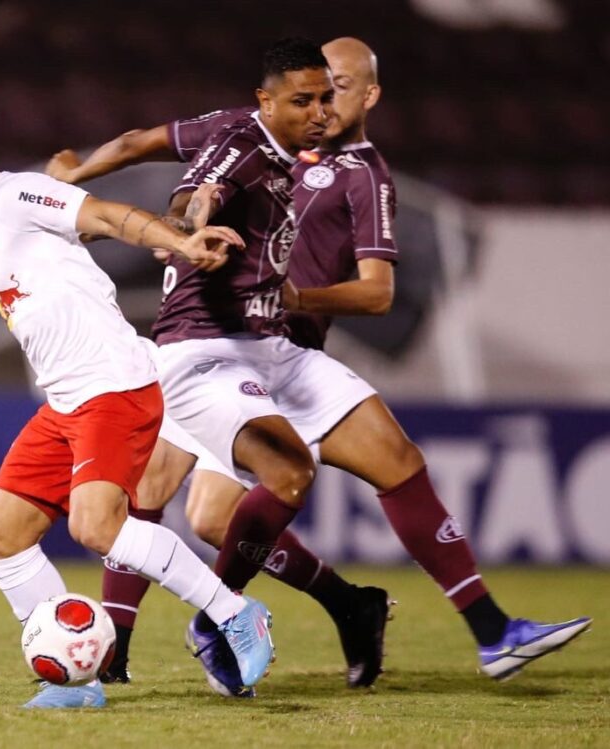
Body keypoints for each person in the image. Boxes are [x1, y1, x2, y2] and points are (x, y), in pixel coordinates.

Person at [49, 37, 592, 694]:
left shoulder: (359, 173)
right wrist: (127, 198)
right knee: (175, 497)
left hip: (285, 350)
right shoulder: (246, 137)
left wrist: (289, 293)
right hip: (208, 348)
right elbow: (187, 181)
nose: (321, 103)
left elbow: (377, 291)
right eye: (311, 91)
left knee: (389, 461)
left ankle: (487, 629)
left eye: (333, 89)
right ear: (278, 97)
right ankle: (160, 636)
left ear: (368, 95)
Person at [0, 107, 274, 709]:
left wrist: (179, 241)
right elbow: (86, 233)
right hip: (67, 401)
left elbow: (102, 214)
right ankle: (74, 681)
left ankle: (237, 614)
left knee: (97, 526)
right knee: (2, 535)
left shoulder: (14, 194)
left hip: (113, 386)